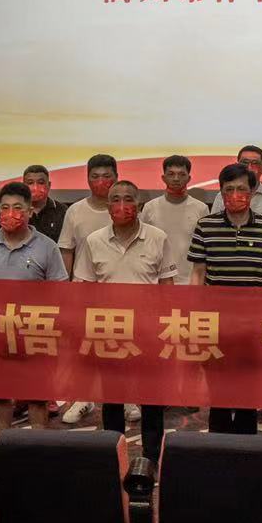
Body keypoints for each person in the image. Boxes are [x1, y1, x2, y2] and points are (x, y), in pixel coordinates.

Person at [73, 179, 174, 453]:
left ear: (139, 204)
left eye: (128, 199)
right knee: (112, 400)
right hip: (110, 332)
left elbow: (168, 289)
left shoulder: (158, 237)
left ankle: (151, 456)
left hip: (148, 332)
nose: (122, 205)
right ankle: (113, 454)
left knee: (151, 400)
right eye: (115, 199)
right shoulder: (94, 241)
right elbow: (84, 289)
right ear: (107, 206)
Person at [190, 162, 262, 433]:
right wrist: (194, 314)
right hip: (216, 322)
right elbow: (198, 273)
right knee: (217, 386)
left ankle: (246, 443)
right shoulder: (205, 226)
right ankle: (219, 441)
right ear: (221, 193)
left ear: (253, 191)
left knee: (249, 387)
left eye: (241, 189)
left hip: (253, 322)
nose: (235, 195)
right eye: (229, 189)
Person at [0, 181, 70, 431]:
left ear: (30, 211)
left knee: (37, 398)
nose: (10, 213)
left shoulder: (47, 247)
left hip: (35, 333)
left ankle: (38, 448)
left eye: (17, 208)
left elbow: (60, 292)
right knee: (0, 398)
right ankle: (0, 446)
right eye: (4, 208)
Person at [57, 154, 118, 424]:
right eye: (95, 176)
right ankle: (83, 399)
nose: (101, 181)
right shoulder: (75, 211)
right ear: (87, 179)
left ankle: (126, 399)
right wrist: (67, 289)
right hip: (84, 289)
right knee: (83, 349)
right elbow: (67, 250)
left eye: (107, 176)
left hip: (120, 290)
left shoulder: (125, 208)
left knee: (121, 346)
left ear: (116, 178)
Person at [139, 154, 209, 285]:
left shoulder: (201, 209)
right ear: (163, 178)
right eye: (171, 174)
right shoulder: (149, 207)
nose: (176, 179)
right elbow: (143, 246)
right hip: (157, 281)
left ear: (189, 178)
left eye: (181, 174)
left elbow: (205, 250)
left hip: (190, 282)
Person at [208, 145, 262, 233]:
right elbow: (212, 227)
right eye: (244, 162)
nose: (249, 167)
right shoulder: (222, 196)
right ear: (237, 165)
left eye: (255, 163)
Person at [21, 165, 68, 242]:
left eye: (41, 183)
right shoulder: (16, 211)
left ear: (49, 185)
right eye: (30, 183)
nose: (35, 187)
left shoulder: (63, 211)